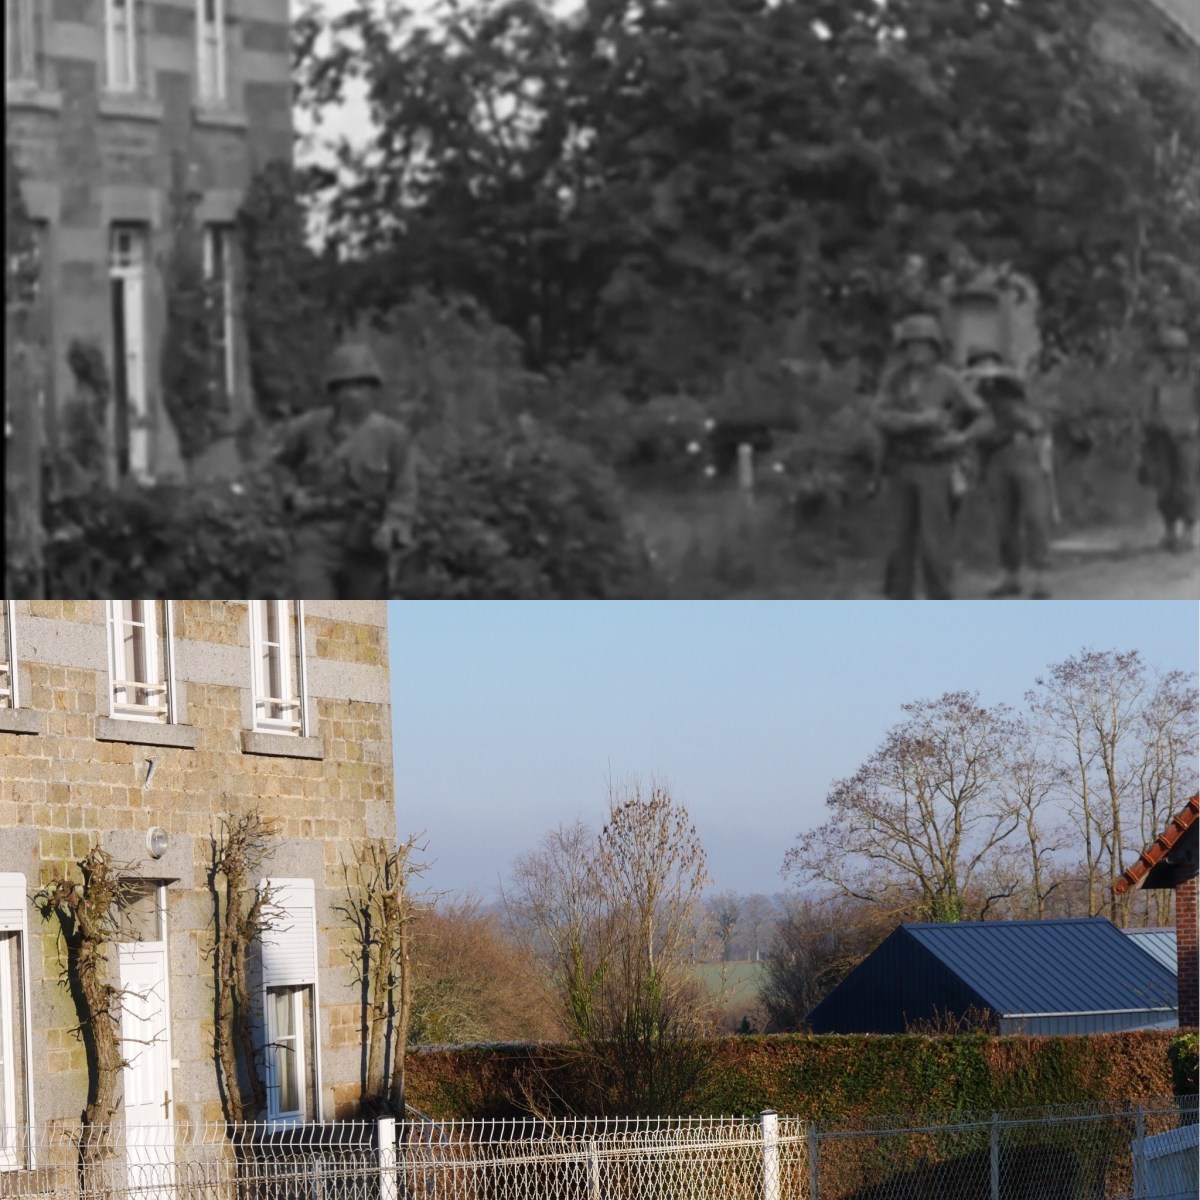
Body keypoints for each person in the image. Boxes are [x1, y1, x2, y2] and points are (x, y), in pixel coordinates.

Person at [272, 342, 419, 598]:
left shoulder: (392, 436)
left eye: (361, 386)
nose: (353, 394)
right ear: (332, 391)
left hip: (366, 538)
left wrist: (392, 524)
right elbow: (279, 465)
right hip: (316, 532)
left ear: (374, 390)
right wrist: (291, 493)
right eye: (345, 387)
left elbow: (404, 488)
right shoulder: (307, 428)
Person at [873, 314, 993, 599]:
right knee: (897, 543)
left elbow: (985, 418)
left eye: (923, 345)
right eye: (911, 345)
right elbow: (878, 414)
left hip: (936, 467)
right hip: (901, 464)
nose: (917, 352)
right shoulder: (894, 380)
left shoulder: (948, 379)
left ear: (935, 347)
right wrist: (916, 421)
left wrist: (962, 438)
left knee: (934, 543)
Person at [964, 348, 1054, 598]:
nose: (985, 370)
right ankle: (1011, 574)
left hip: (1022, 449)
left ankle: (1041, 577)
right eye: (980, 365)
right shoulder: (968, 395)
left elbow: (1035, 419)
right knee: (1004, 520)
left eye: (989, 364)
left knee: (1035, 515)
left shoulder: (1013, 388)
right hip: (993, 456)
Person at [1141, 327, 1199, 552]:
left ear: (1184, 352)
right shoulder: (1155, 377)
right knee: (1164, 485)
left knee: (1187, 484)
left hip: (1188, 437)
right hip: (1161, 437)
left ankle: (1188, 530)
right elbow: (1147, 408)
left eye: (1176, 351)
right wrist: (1151, 428)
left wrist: (1194, 425)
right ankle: (1169, 529)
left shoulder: (1194, 374)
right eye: (1166, 351)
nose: (1171, 356)